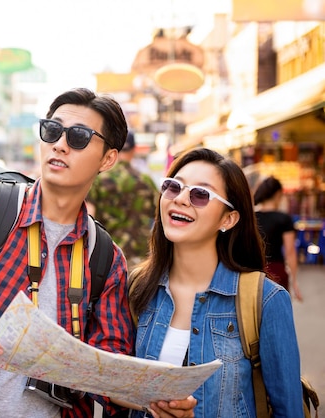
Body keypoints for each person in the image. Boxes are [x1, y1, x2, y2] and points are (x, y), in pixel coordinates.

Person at [0, 88, 196, 417]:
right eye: (52, 130)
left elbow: (108, 364)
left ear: (108, 158)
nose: (60, 144)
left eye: (79, 137)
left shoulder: (106, 258)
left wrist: (152, 399)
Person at [128, 148, 304, 417]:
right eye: (173, 187)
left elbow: (288, 411)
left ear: (228, 219)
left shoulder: (264, 300)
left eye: (200, 194)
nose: (181, 199)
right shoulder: (138, 286)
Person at [87, 130, 158, 268]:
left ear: (112, 151)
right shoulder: (146, 181)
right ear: (133, 151)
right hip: (139, 260)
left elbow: (89, 218)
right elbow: (159, 217)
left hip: (106, 257)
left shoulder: (99, 180)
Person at [253, 176, 303, 301]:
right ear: (278, 194)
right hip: (277, 272)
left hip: (253, 270)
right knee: (278, 312)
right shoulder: (284, 219)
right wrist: (295, 281)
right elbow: (290, 251)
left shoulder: (252, 217)